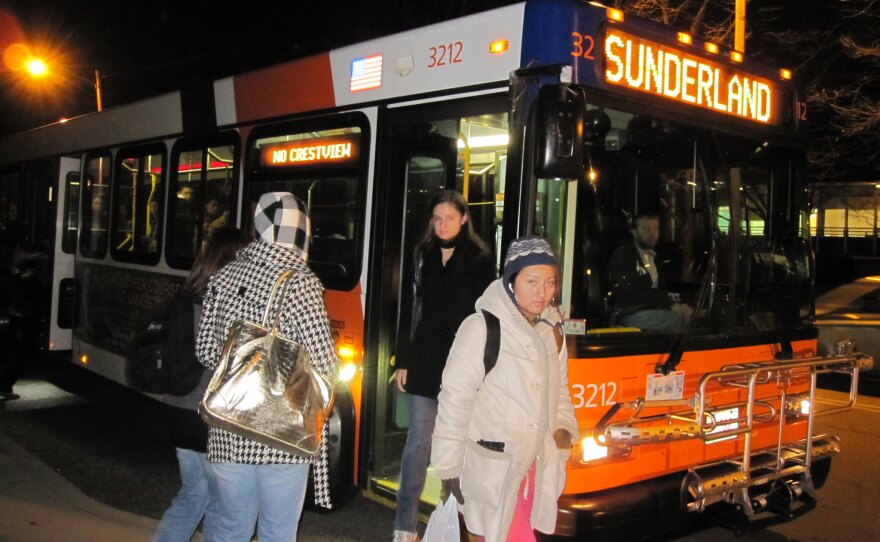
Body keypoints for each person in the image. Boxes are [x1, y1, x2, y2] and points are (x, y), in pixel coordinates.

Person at [196, 192, 339, 541]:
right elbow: (324, 364)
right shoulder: (301, 283)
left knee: (231, 528)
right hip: (283, 434)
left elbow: (203, 351)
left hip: (228, 427)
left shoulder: (225, 275)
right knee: (277, 532)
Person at [431, 236, 579, 542]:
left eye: (550, 283)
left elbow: (560, 390)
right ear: (511, 281)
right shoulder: (482, 328)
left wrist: (564, 431)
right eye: (532, 281)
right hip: (495, 472)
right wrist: (447, 468)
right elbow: (454, 401)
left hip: (535, 471)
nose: (543, 293)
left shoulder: (552, 333)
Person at [392, 190, 494, 542]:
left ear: (464, 218)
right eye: (437, 219)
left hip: (462, 363)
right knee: (419, 442)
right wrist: (402, 359)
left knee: (456, 441)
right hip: (423, 357)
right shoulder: (423, 254)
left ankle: (448, 513)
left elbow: (487, 315)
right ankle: (405, 526)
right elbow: (410, 307)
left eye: (450, 218)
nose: (442, 224)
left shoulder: (480, 259)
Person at [153, 226, 249, 542]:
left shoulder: (186, 295)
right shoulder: (225, 303)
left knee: (193, 494)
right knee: (223, 506)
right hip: (208, 419)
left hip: (176, 411)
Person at [607, 212, 692, 334]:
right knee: (677, 321)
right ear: (634, 232)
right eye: (646, 229)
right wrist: (670, 304)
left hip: (653, 309)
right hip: (628, 312)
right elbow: (633, 292)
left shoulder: (657, 258)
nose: (652, 233)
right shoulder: (623, 256)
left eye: (655, 229)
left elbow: (663, 289)